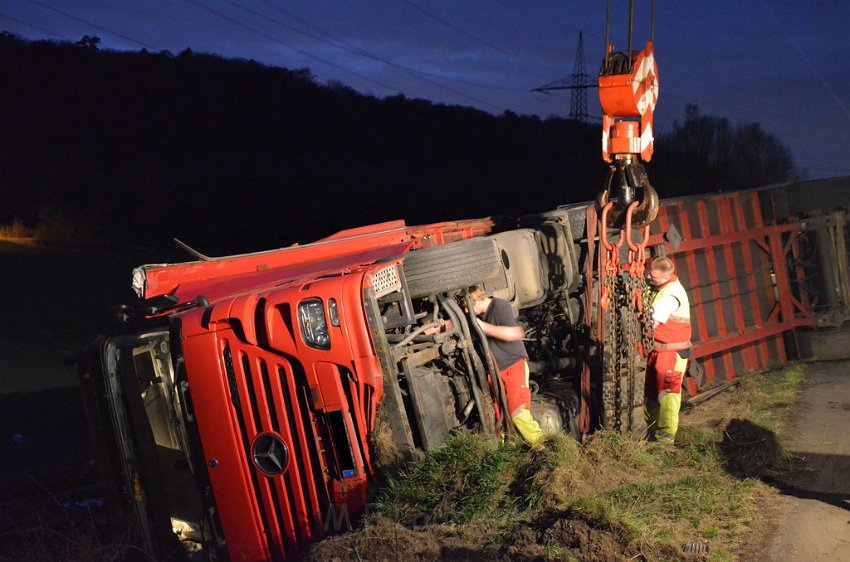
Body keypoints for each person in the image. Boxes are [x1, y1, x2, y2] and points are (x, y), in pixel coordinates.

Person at [468, 285, 545, 445]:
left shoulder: (500, 306)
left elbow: (514, 333)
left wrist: (482, 327)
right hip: (496, 373)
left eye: (468, 306)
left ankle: (545, 447)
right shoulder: (479, 316)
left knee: (517, 413)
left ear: (476, 299)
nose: (467, 311)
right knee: (500, 419)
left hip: (512, 366)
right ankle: (506, 456)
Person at [644, 257, 692, 444]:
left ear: (666, 277)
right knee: (651, 394)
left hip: (671, 355)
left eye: (653, 276)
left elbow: (651, 324)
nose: (648, 276)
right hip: (659, 351)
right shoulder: (659, 288)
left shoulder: (670, 297)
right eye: (648, 272)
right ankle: (651, 434)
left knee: (667, 397)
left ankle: (664, 443)